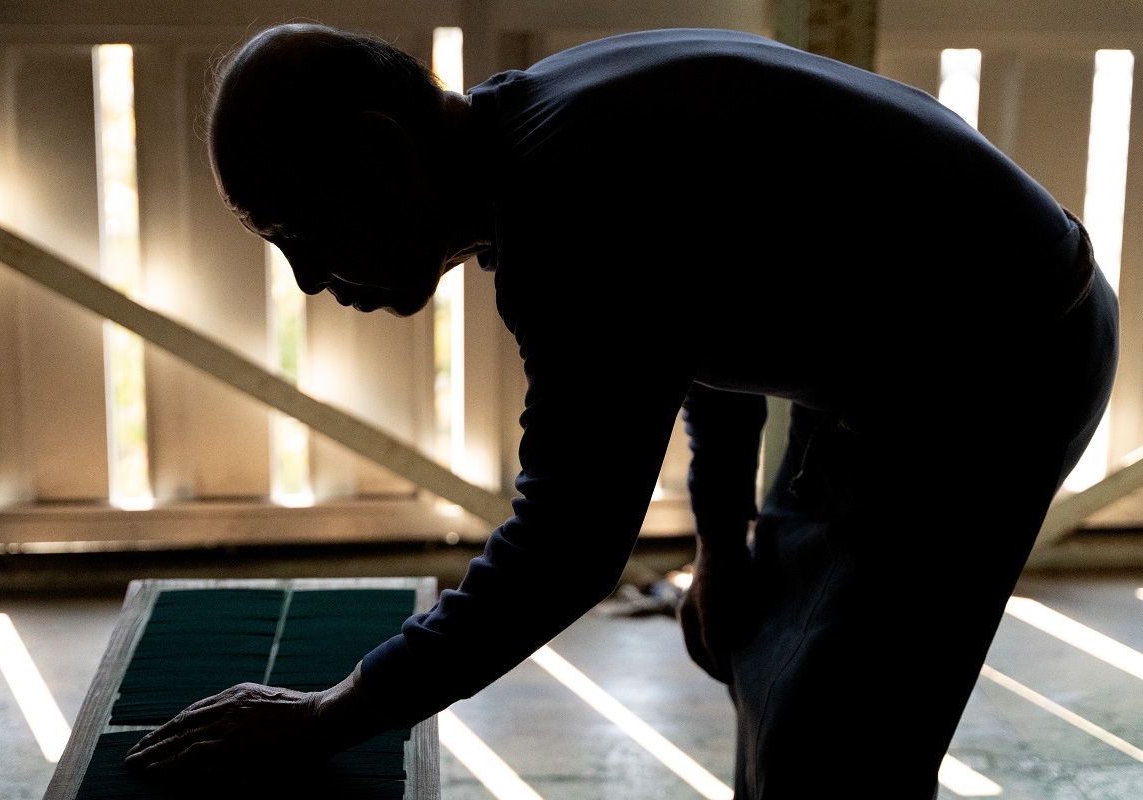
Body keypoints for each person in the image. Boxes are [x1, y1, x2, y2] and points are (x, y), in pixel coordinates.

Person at [124, 22, 1120, 799]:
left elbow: (567, 543)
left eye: (297, 228)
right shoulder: (539, 126)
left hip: (998, 369)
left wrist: (331, 713)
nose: (305, 278)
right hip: (903, 352)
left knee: (837, 741)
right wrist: (720, 542)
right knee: (770, 656)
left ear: (383, 155)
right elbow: (702, 316)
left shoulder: (568, 205)